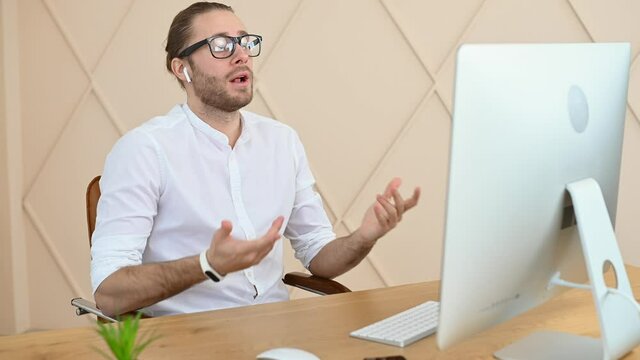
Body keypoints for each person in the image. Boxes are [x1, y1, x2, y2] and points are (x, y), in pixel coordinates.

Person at [90, 1, 421, 318]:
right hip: (189, 336)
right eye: (221, 45)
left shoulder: (282, 141)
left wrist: (364, 237)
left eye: (245, 42)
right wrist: (207, 264)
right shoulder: (143, 150)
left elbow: (319, 257)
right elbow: (108, 293)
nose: (241, 55)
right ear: (183, 69)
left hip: (276, 328)